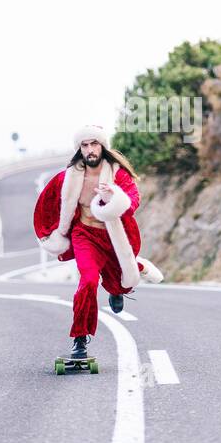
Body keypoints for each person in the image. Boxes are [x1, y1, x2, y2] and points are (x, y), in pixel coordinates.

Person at [33, 125, 163, 359]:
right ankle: (80, 339)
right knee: (89, 281)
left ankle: (118, 289)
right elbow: (47, 202)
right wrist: (50, 233)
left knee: (121, 282)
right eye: (85, 145)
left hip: (114, 237)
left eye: (94, 144)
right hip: (85, 235)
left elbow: (133, 199)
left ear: (102, 146)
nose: (90, 149)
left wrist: (114, 197)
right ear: (79, 149)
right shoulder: (67, 178)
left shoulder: (117, 174)